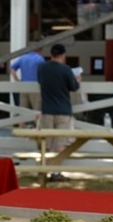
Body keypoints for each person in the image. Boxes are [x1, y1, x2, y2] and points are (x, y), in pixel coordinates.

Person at [37, 44, 81, 178]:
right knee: (61, 143)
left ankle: (45, 169)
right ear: (63, 55)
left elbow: (40, 82)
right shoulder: (66, 69)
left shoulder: (42, 68)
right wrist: (78, 80)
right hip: (63, 110)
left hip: (47, 109)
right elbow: (74, 87)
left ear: (51, 54)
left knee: (48, 143)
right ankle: (56, 171)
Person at [9, 48, 44, 123]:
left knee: (22, 111)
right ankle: (37, 129)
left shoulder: (22, 58)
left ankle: (22, 128)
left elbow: (12, 68)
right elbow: (44, 71)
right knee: (36, 110)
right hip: (35, 87)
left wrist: (17, 80)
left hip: (23, 86)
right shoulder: (40, 58)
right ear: (40, 50)